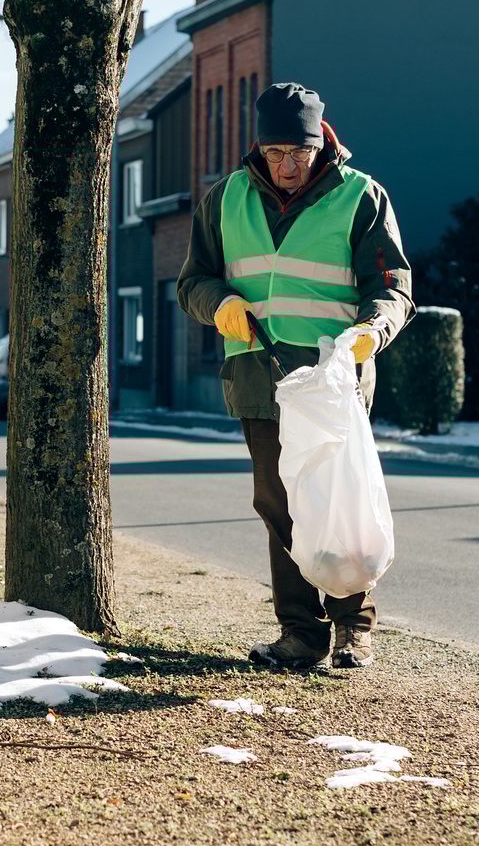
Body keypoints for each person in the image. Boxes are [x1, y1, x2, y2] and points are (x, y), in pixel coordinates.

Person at [177, 83, 413, 672]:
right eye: (276, 152)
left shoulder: (361, 197)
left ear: (322, 143)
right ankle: (301, 635)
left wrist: (372, 332)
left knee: (341, 502)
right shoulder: (225, 199)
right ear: (258, 147)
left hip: (334, 380)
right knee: (279, 505)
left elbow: (392, 287)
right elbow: (192, 281)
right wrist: (219, 304)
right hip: (259, 374)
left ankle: (353, 630)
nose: (286, 165)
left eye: (298, 154)